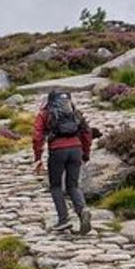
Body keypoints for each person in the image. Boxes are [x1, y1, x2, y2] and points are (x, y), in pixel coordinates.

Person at [33, 90, 94, 234]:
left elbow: (37, 136)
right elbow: (87, 132)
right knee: (73, 185)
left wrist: (38, 157)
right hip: (76, 149)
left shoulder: (45, 113)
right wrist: (85, 153)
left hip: (57, 151)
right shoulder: (75, 112)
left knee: (55, 186)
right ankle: (82, 210)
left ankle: (63, 219)